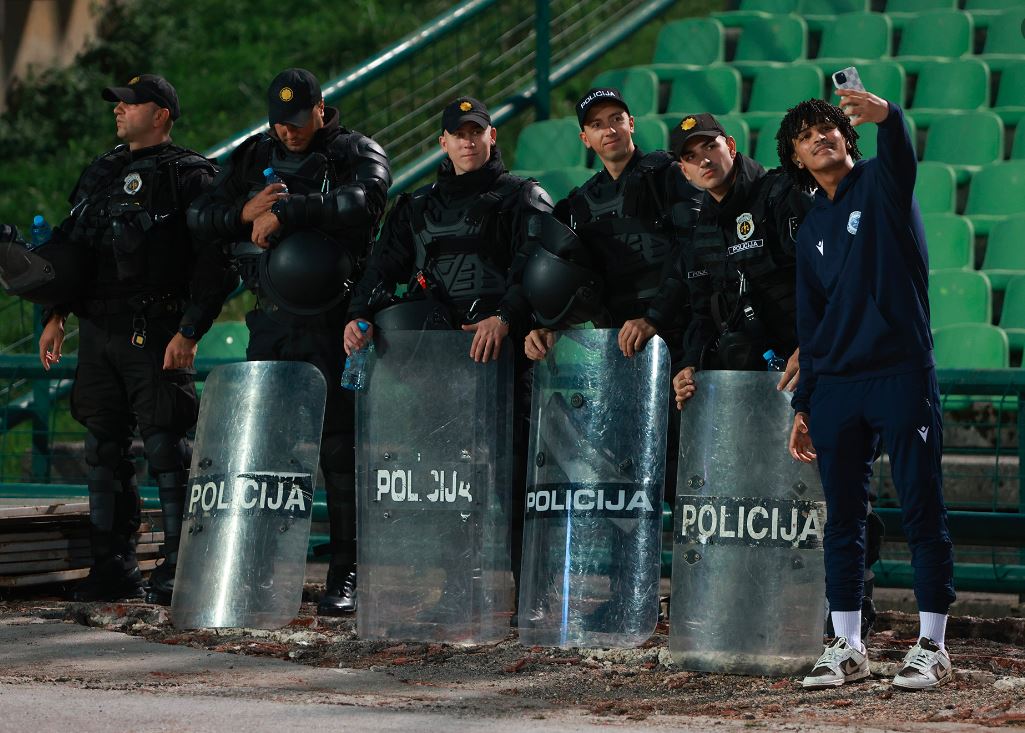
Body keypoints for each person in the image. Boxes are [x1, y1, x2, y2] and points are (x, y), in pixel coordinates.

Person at [667, 111, 883, 641]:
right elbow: (700, 309)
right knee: (748, 498)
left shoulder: (782, 192)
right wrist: (689, 363)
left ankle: (849, 610)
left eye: (710, 147)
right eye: (691, 156)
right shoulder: (699, 226)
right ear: (683, 169)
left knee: (835, 490)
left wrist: (815, 346)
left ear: (731, 145)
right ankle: (745, 602)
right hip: (742, 382)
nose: (704, 160)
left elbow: (833, 272)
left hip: (817, 364)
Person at [14, 75, 228, 603]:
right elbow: (74, 250)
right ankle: (113, 565)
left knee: (167, 447)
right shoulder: (103, 170)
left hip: (155, 330)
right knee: (103, 450)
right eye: (118, 103)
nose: (120, 111)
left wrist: (190, 331)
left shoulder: (191, 176)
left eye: (131, 104)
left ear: (162, 114)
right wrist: (55, 313)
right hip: (98, 331)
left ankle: (180, 567)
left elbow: (217, 261)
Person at [187, 68, 391, 616]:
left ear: (322, 110)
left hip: (334, 319)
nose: (290, 132)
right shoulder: (255, 155)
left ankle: (346, 573)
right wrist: (242, 214)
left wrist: (288, 210)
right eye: (280, 123)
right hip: (272, 319)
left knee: (340, 450)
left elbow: (365, 205)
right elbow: (199, 217)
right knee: (269, 448)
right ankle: (258, 569)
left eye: (299, 121)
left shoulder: (354, 151)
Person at [343, 96, 553, 618]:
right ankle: (459, 587)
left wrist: (504, 316)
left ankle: (531, 594)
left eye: (475, 131)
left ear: (491, 136)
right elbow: (379, 269)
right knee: (447, 481)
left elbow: (540, 264)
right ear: (443, 143)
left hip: (507, 361)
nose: (467, 140)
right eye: (457, 134)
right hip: (436, 367)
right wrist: (358, 313)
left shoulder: (522, 198)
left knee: (518, 478)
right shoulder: (415, 208)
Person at [778, 91, 955, 690]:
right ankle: (847, 645)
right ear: (797, 158)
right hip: (838, 387)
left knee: (921, 507)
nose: (820, 137)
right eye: (806, 135)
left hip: (901, 373)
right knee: (843, 519)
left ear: (847, 138)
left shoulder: (883, 182)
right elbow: (813, 326)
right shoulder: (809, 233)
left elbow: (900, 148)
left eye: (828, 127)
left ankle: (932, 644)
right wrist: (804, 404)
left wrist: (887, 114)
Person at [523, 87, 692, 363]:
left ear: (631, 124)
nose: (609, 130)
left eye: (616, 119)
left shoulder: (669, 175)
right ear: (585, 139)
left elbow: (693, 251)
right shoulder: (580, 204)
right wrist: (546, 327)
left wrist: (653, 318)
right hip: (614, 347)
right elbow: (568, 280)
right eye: (597, 125)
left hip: (677, 337)